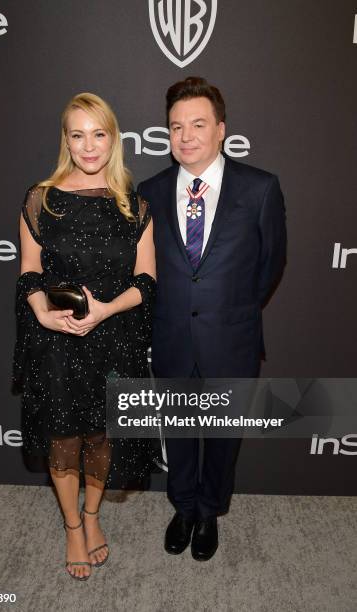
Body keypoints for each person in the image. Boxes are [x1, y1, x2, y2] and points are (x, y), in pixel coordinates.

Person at [138, 77, 286, 561]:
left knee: (223, 439)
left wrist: (231, 312)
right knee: (178, 434)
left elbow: (270, 265)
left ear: (221, 129)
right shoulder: (150, 192)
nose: (186, 136)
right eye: (176, 126)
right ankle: (183, 508)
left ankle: (209, 513)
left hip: (232, 339)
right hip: (173, 337)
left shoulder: (260, 188)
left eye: (198, 124)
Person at [13, 92, 157, 580]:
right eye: (78, 135)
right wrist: (41, 313)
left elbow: (146, 282)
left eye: (99, 134)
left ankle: (93, 517)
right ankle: (73, 526)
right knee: (63, 438)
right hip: (57, 340)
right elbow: (29, 271)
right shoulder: (41, 199)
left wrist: (105, 310)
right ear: (66, 140)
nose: (89, 146)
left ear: (113, 139)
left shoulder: (135, 206)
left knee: (101, 435)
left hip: (113, 338)